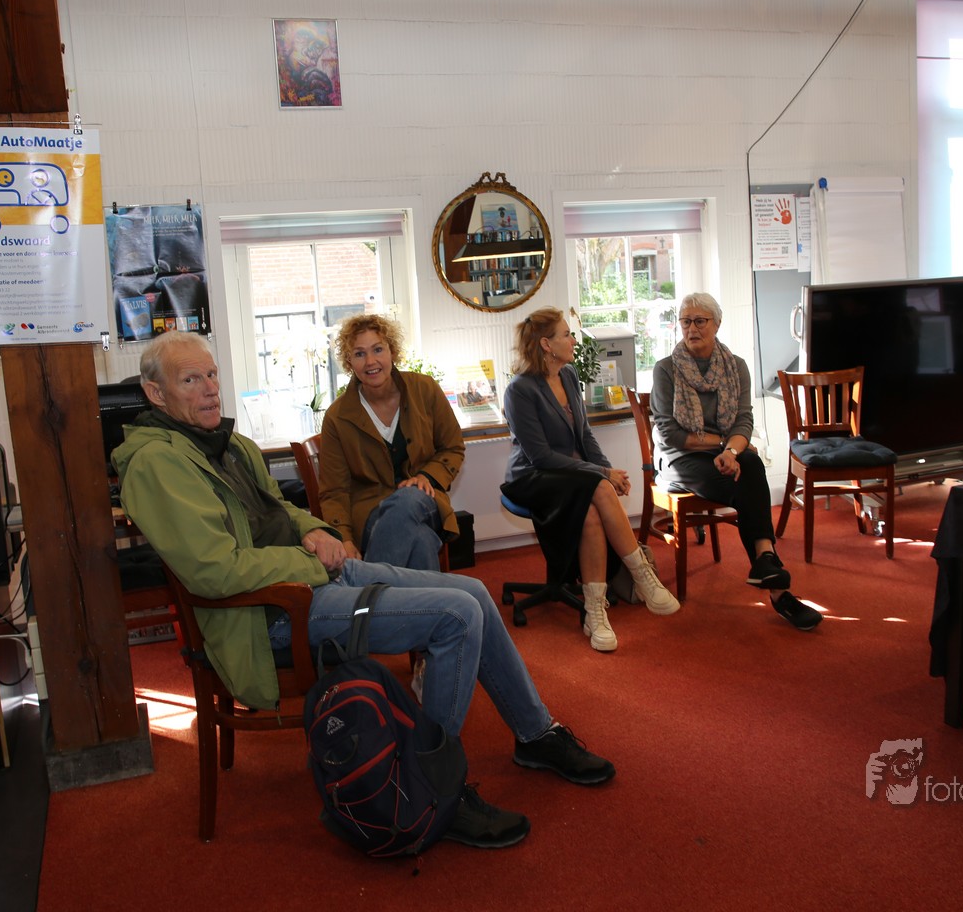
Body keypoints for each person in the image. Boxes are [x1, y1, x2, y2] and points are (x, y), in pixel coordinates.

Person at [112, 331, 614, 850]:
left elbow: (279, 509)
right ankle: (431, 786)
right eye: (190, 380)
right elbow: (214, 571)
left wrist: (318, 533)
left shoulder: (227, 444)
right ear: (155, 394)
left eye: (212, 374)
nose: (210, 388)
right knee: (456, 616)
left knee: (474, 593)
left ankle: (535, 735)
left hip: (309, 580)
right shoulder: (156, 464)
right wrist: (309, 559)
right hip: (271, 615)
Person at [501, 307, 679, 653]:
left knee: (592, 511)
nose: (573, 341)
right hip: (532, 478)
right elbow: (541, 457)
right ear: (546, 344)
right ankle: (642, 576)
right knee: (595, 486)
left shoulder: (568, 375)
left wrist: (608, 471)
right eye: (566, 334)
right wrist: (603, 474)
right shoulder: (520, 390)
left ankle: (595, 611)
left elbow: (585, 436)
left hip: (573, 477)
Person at [650, 293, 822, 632]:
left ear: (717, 324)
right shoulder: (666, 369)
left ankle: (766, 563)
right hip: (680, 459)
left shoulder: (736, 366)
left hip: (724, 453)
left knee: (751, 465)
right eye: (685, 321)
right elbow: (670, 434)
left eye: (700, 321)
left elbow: (743, 420)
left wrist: (731, 452)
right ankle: (776, 586)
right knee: (748, 479)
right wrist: (724, 446)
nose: (692, 328)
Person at [318, 314, 462, 572]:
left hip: (424, 500)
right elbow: (334, 490)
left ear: (392, 351)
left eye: (378, 349)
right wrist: (345, 538)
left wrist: (426, 476)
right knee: (421, 541)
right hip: (369, 515)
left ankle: (370, 586)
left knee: (407, 499)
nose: (370, 362)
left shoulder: (425, 389)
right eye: (359, 354)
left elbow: (452, 447)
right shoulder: (337, 417)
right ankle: (413, 599)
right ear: (349, 362)